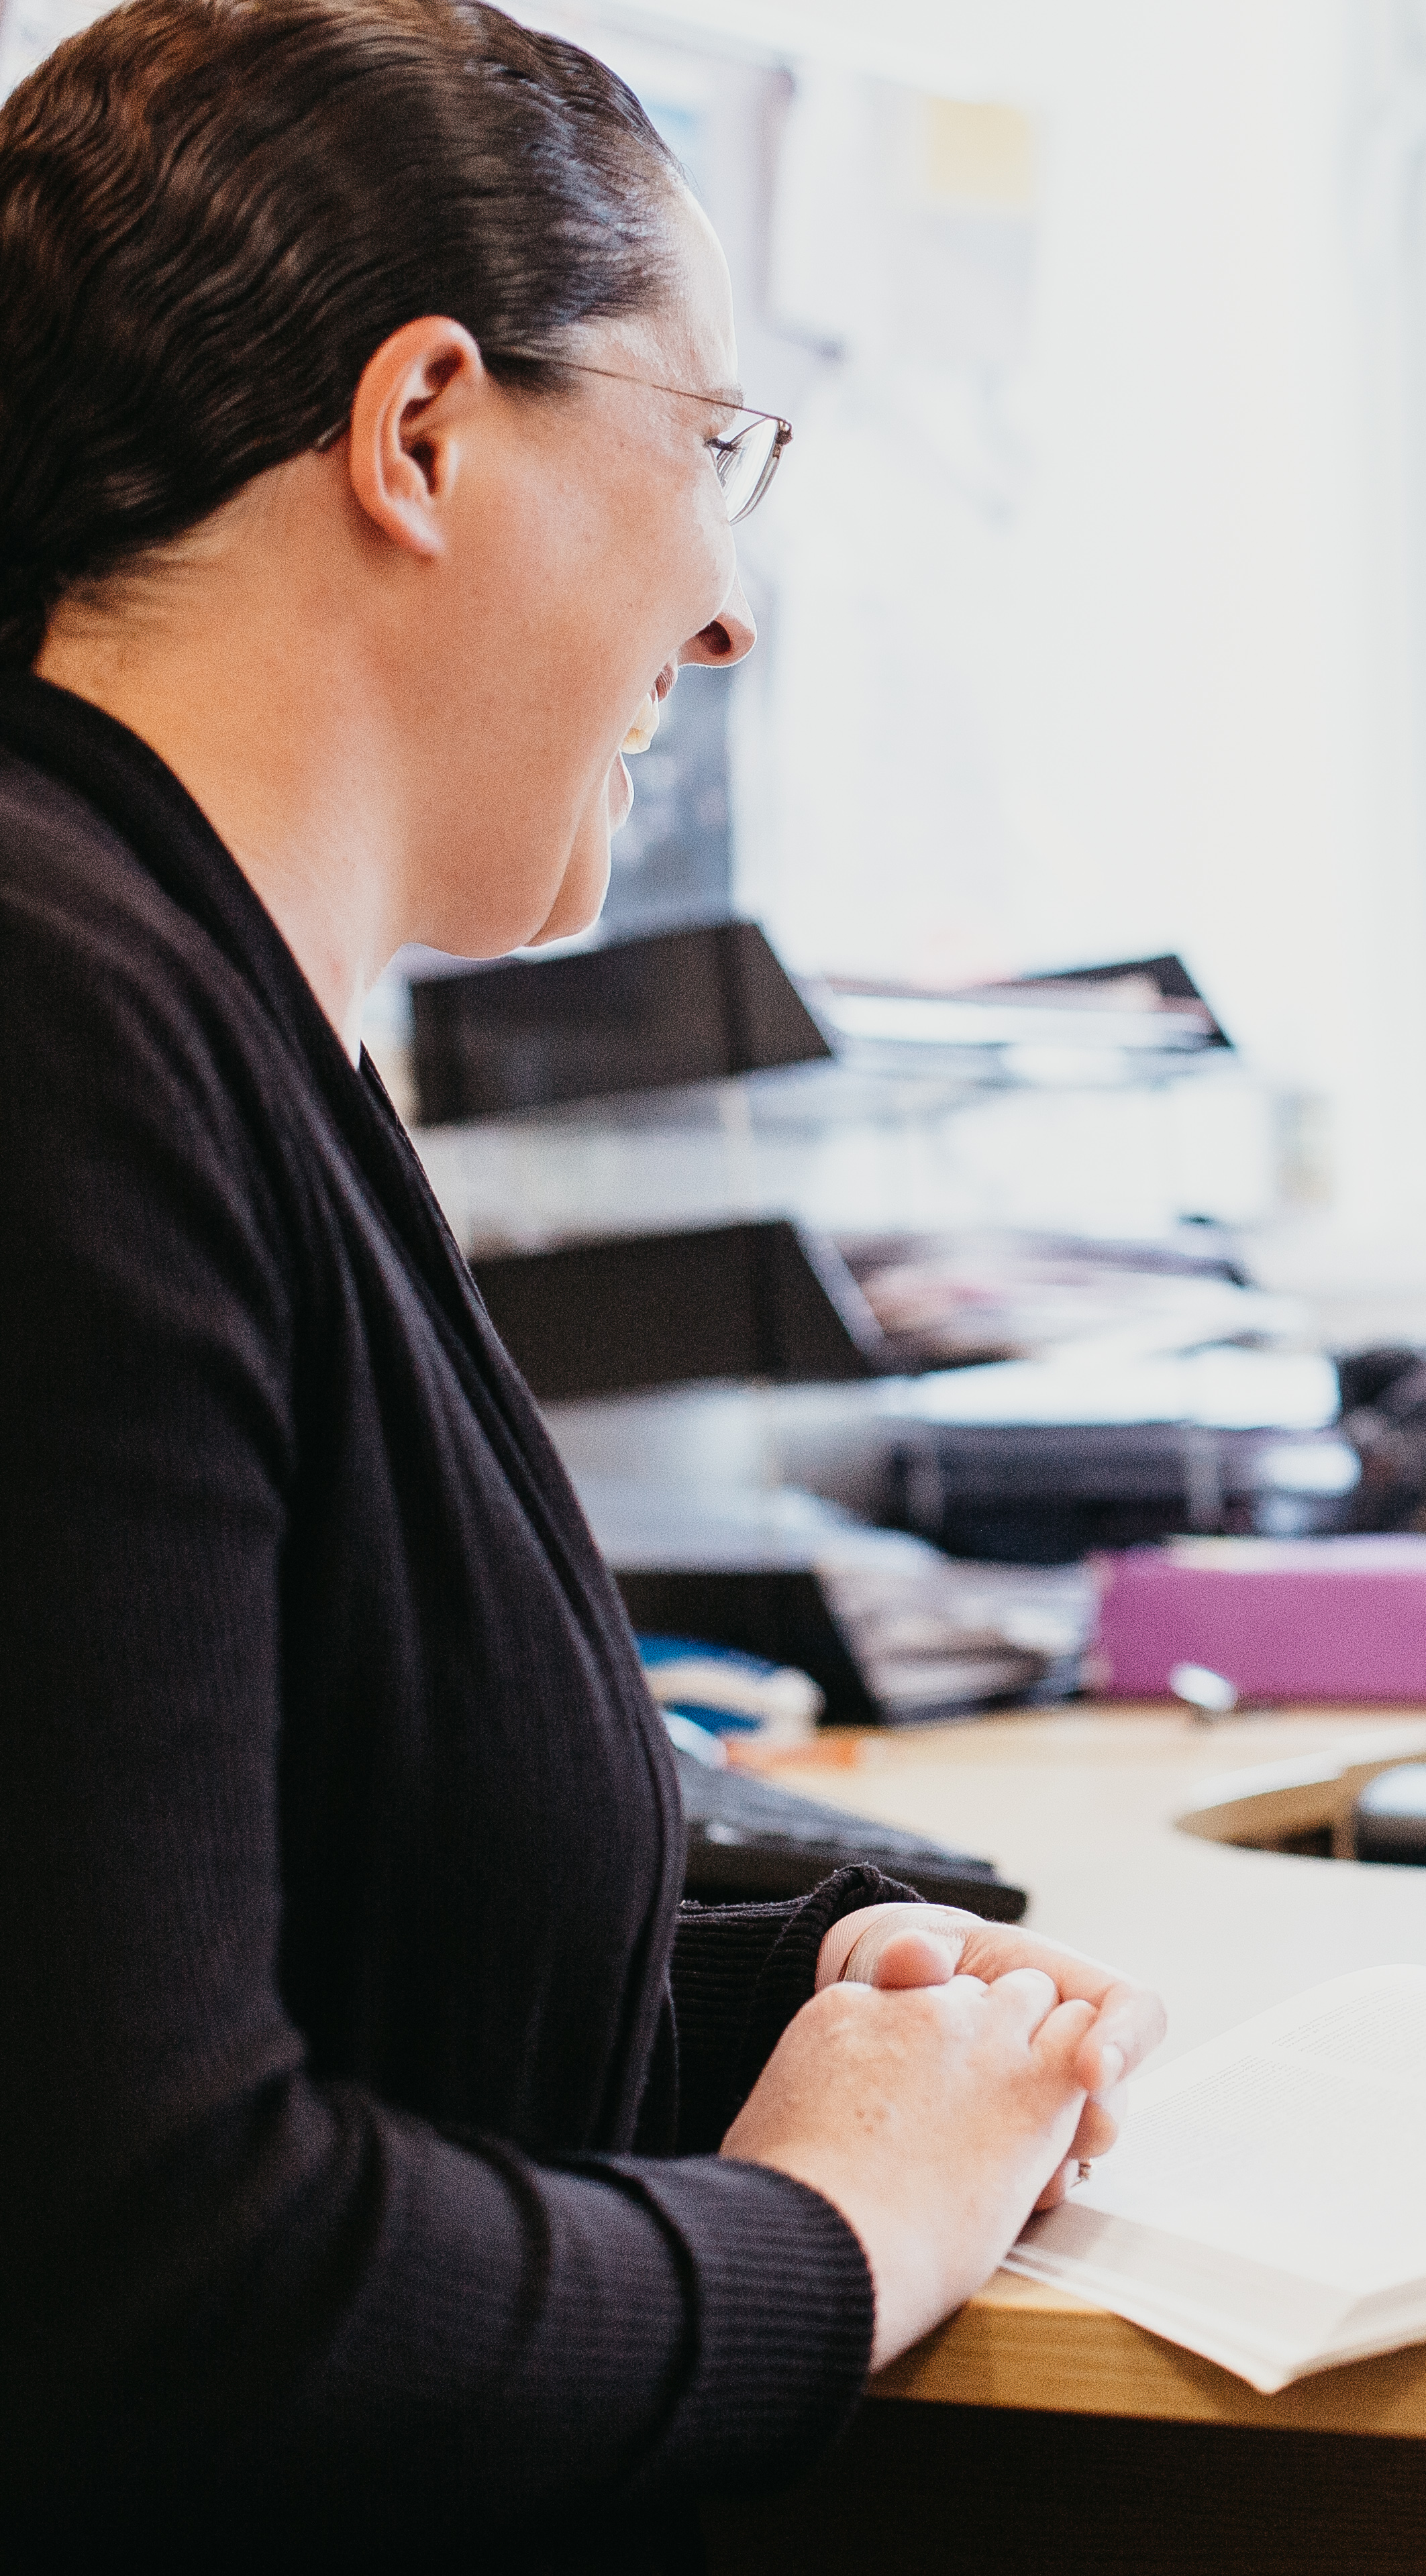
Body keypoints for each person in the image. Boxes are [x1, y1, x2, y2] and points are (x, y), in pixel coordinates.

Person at [0, 3, 1162, 2561]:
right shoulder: (63, 1025)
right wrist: (843, 2237)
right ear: (421, 430)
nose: (729, 611)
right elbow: (159, 2280)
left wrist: (811, 2021)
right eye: (711, 445)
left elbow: (337, 1954)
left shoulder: (197, 1015)